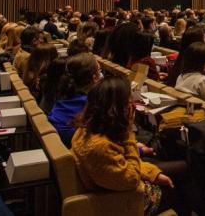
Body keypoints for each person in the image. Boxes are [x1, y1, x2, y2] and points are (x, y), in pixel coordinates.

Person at [71, 77, 175, 215]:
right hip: (123, 201)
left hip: (115, 187)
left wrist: (152, 174)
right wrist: (129, 130)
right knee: (180, 186)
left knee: (178, 168)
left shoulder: (87, 129)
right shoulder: (99, 146)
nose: (132, 108)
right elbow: (131, 179)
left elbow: (121, 163)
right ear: (117, 109)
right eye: (129, 104)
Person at [48, 53, 102, 146]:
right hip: (71, 148)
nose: (102, 74)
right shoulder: (92, 104)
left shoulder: (64, 93)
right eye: (99, 70)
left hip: (58, 144)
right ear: (95, 78)